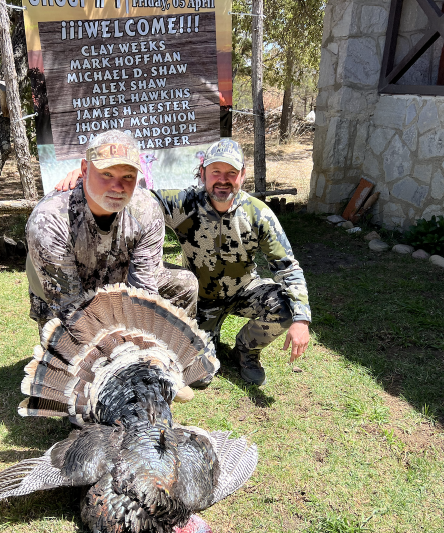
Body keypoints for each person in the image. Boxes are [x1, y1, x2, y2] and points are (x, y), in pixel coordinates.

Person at [56, 138, 311, 386]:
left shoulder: (258, 214)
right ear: (202, 173)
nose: (223, 179)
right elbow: (135, 196)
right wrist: (86, 178)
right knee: (201, 378)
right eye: (216, 171)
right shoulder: (183, 204)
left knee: (285, 308)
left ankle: (245, 351)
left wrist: (301, 319)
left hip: (244, 291)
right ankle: (206, 337)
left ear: (242, 176)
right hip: (201, 302)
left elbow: (288, 267)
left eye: (231, 173)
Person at [27, 130, 198, 339]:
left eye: (127, 176)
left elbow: (143, 290)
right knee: (74, 354)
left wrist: (141, 346)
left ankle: (169, 357)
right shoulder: (50, 220)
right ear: (84, 169)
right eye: (107, 174)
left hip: (118, 280)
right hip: (67, 294)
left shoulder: (146, 210)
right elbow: (69, 308)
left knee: (184, 283)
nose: (118, 187)